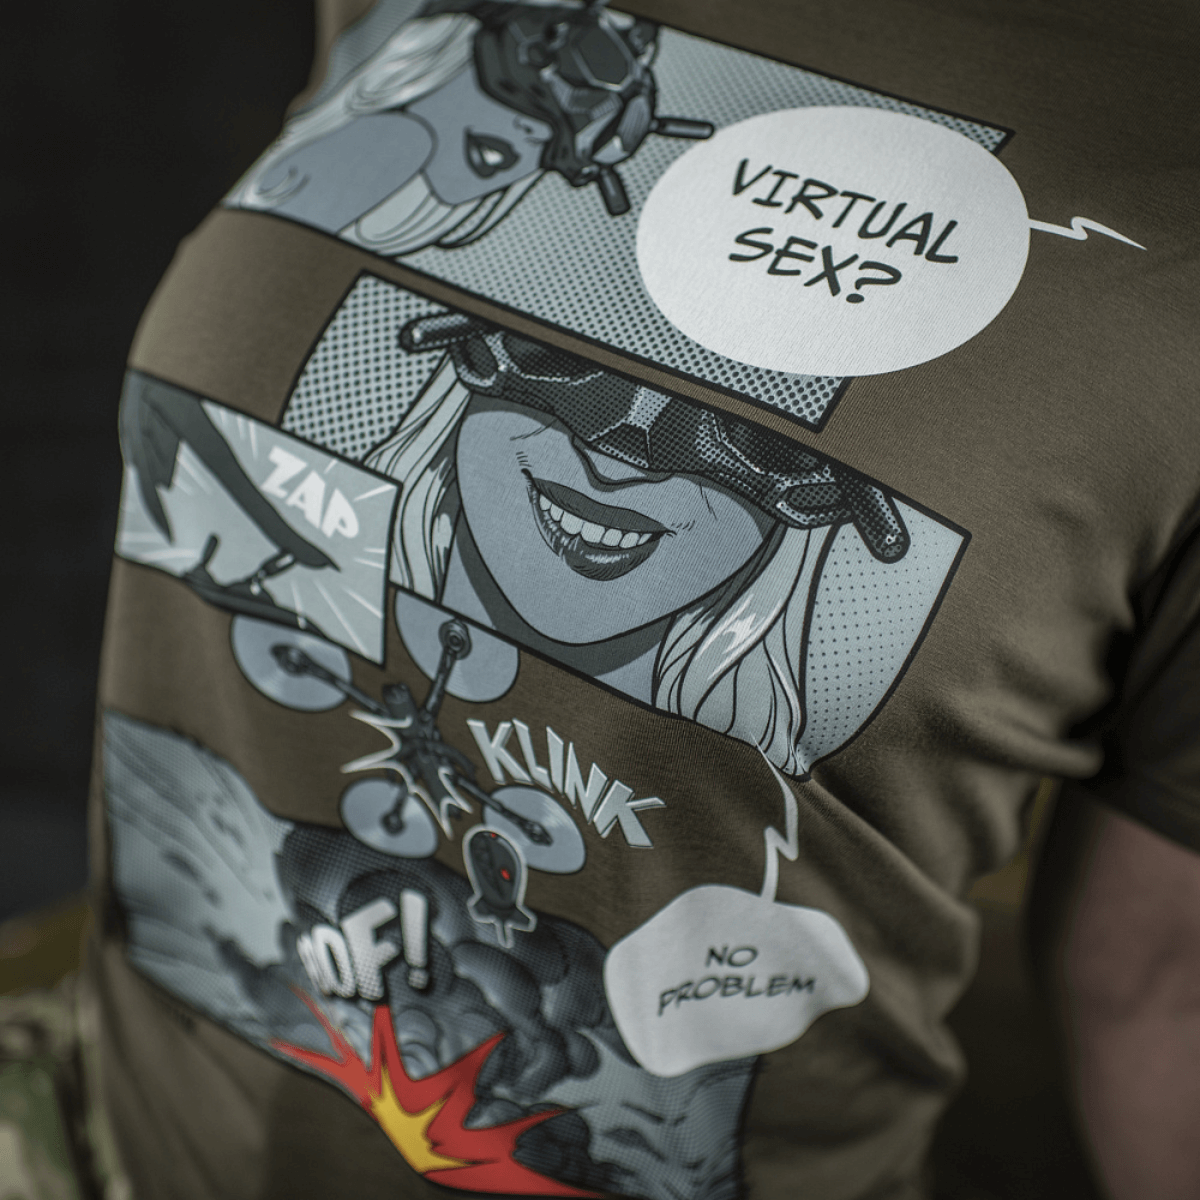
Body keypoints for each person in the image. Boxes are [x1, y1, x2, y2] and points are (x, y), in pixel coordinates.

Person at [61, 0, 1200, 1198]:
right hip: (106, 1137)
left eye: (739, 457)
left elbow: (1155, 984)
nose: (614, 458)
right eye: (543, 380)